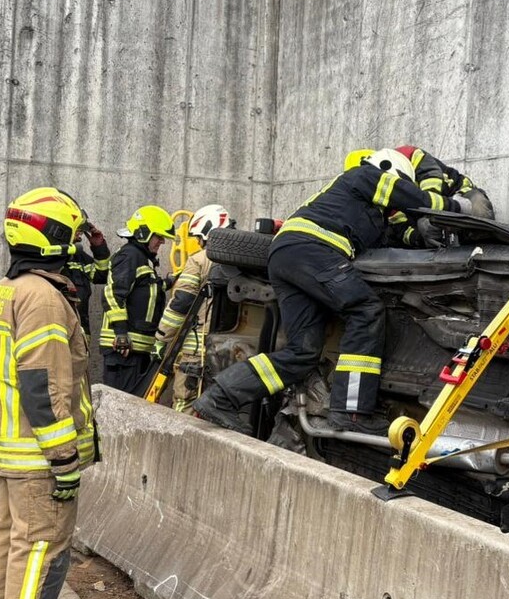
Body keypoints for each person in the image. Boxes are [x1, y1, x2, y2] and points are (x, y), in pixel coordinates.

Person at [191, 149, 445, 436]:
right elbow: (421, 202)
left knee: (302, 352)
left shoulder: (355, 205)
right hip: (312, 250)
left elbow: (393, 237)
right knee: (366, 311)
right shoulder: (366, 176)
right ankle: (350, 412)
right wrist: (455, 206)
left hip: (287, 256)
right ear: (391, 173)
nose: (392, 210)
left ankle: (219, 397)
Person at [0, 186, 95, 599]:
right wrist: (64, 456)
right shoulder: (45, 297)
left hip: (7, 448)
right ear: (56, 238)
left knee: (5, 536)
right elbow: (42, 385)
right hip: (38, 454)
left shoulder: (12, 288)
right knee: (41, 549)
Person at [154, 204, 235, 411]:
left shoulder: (199, 260)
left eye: (199, 237)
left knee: (186, 402)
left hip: (197, 350)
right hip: (234, 350)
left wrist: (162, 338)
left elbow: (181, 303)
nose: (198, 243)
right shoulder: (248, 262)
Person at [99, 205, 175, 394]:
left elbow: (145, 291)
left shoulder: (141, 258)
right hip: (124, 350)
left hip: (137, 350)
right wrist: (121, 334)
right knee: (119, 408)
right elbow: (113, 293)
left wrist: (169, 282)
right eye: (159, 236)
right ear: (144, 233)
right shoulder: (130, 255)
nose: (162, 242)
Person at [63, 216, 111, 335]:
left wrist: (99, 247)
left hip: (81, 331)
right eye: (77, 226)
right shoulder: (46, 257)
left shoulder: (79, 256)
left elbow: (101, 275)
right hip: (59, 332)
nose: (80, 230)